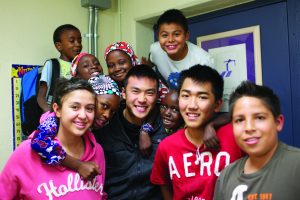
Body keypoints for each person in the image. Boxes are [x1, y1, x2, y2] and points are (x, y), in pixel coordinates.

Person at [0, 78, 106, 199]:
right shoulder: (26, 152)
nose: (83, 115)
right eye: (75, 107)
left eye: (89, 108)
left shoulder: (97, 152)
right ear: (57, 110)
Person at [150, 65, 243, 200]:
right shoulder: (166, 146)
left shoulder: (236, 136)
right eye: (186, 96)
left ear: (217, 104)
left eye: (202, 97)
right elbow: (163, 185)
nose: (192, 105)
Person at [213, 81, 300, 200]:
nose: (249, 128)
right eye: (240, 120)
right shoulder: (226, 176)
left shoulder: (296, 165)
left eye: (259, 118)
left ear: (278, 123)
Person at [94, 65, 167, 199]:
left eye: (149, 93)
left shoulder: (165, 127)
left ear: (157, 95)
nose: (142, 99)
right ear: (124, 93)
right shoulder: (105, 125)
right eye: (135, 91)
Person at [31, 75, 120, 180]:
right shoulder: (54, 119)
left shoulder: (94, 131)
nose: (107, 115)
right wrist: (78, 165)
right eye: (104, 106)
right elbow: (39, 143)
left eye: (113, 111)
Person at [149, 9, 214, 86]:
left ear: (186, 36)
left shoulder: (204, 61)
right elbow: (151, 62)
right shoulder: (155, 50)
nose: (170, 40)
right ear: (158, 37)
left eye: (176, 34)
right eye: (165, 35)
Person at [37, 24, 82, 112]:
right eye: (72, 41)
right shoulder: (52, 64)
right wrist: (49, 114)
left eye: (79, 41)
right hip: (55, 114)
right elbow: (41, 96)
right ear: (59, 46)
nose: (78, 44)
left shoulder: (81, 65)